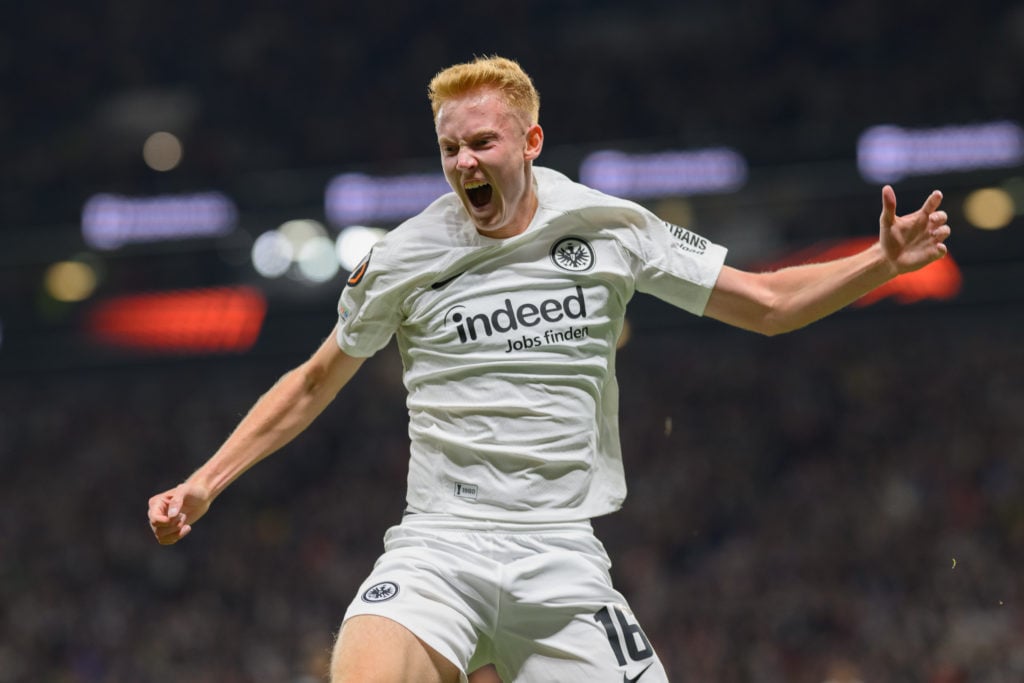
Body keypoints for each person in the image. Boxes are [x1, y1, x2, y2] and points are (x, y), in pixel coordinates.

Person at [148, 55, 951, 683]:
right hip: (440, 545)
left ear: (529, 141)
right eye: (449, 148)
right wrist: (208, 480)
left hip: (561, 553)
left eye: (482, 142)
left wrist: (877, 263)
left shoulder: (613, 227)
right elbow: (314, 379)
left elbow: (769, 302)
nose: (464, 162)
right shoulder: (401, 257)